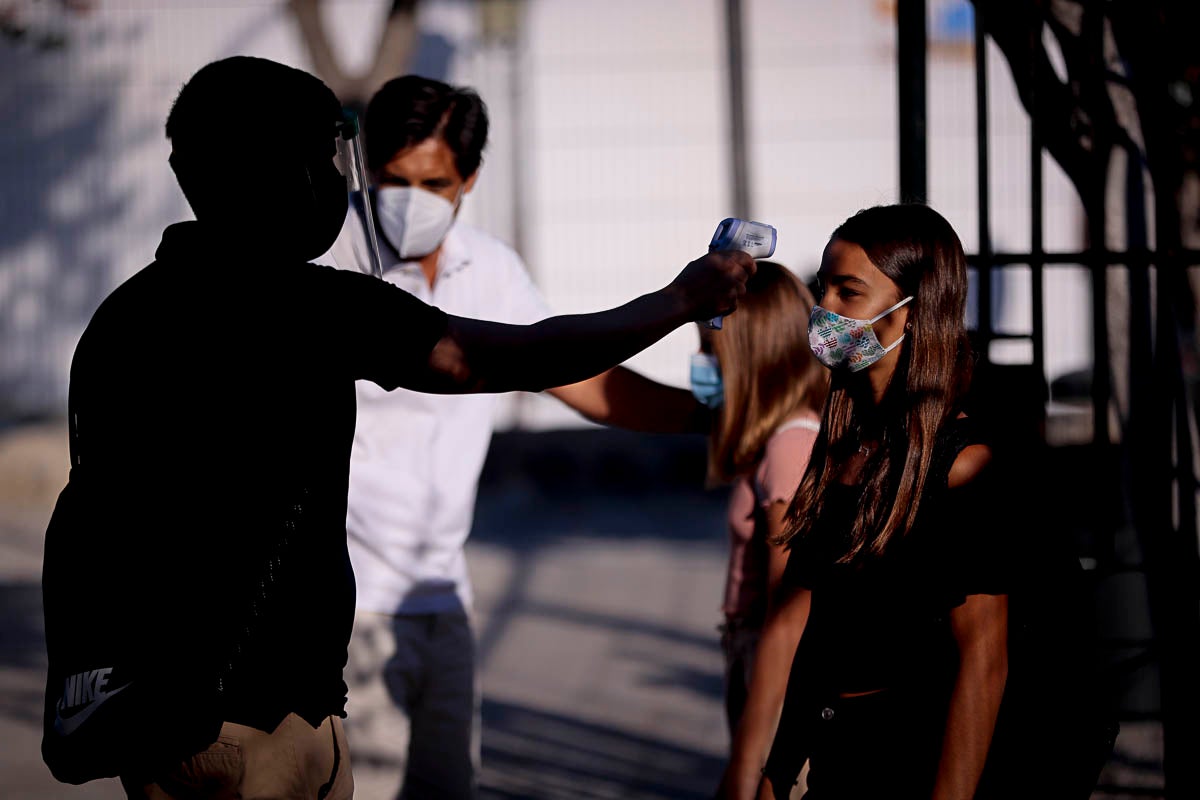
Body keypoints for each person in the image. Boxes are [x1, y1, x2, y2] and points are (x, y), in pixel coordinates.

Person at [38, 55, 755, 800]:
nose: (339, 182)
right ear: (288, 172)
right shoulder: (311, 303)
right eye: (328, 159)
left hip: (181, 705)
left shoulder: (123, 316)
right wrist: (679, 299)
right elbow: (500, 357)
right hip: (254, 723)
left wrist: (719, 416)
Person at [318, 74, 714, 800]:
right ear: (365, 168)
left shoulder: (489, 267)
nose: (408, 200)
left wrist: (711, 419)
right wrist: (679, 302)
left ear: (468, 178)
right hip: (347, 606)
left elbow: (576, 378)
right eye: (391, 178)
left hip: (443, 595)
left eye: (433, 181)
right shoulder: (328, 259)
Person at [717, 203, 1011, 800]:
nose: (824, 308)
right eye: (821, 286)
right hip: (836, 756)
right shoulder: (843, 440)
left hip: (909, 760)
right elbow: (818, 631)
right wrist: (775, 774)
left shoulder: (963, 463)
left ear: (916, 311)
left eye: (849, 292)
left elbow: (983, 656)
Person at [688, 261, 827, 741]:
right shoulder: (775, 443)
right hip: (746, 648)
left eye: (713, 353)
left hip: (770, 668)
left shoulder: (788, 449)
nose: (703, 366)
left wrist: (755, 760)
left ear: (753, 357)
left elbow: (786, 613)